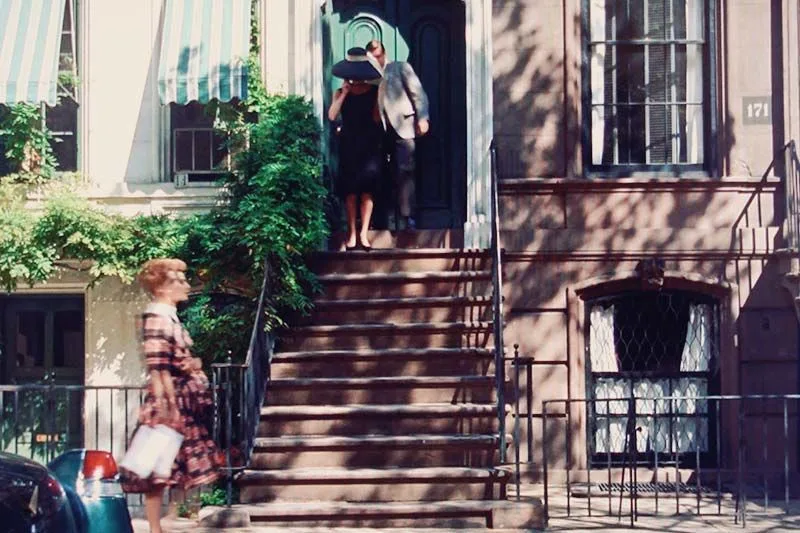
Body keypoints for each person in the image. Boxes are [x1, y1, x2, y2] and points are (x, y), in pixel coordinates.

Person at [121, 258, 221, 533]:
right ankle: (156, 527)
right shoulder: (156, 318)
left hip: (180, 401)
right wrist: (168, 408)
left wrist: (195, 364)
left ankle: (165, 522)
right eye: (179, 281)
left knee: (172, 467)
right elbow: (158, 368)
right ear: (164, 288)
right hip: (168, 402)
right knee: (158, 467)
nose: (186, 285)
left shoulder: (168, 316)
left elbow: (175, 359)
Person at [366, 39, 430, 230]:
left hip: (404, 126)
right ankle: (386, 219)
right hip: (380, 130)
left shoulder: (400, 67)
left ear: (384, 54)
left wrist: (423, 117)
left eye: (378, 56)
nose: (376, 60)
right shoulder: (367, 75)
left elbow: (417, 93)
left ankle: (407, 216)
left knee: (405, 170)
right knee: (381, 173)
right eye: (372, 57)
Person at [328, 47, 384, 251]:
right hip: (349, 143)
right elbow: (332, 116)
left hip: (369, 144)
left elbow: (377, 119)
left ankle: (364, 233)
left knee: (367, 191)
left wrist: (380, 97)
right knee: (350, 192)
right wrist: (343, 94)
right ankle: (351, 234)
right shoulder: (340, 92)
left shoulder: (375, 91)